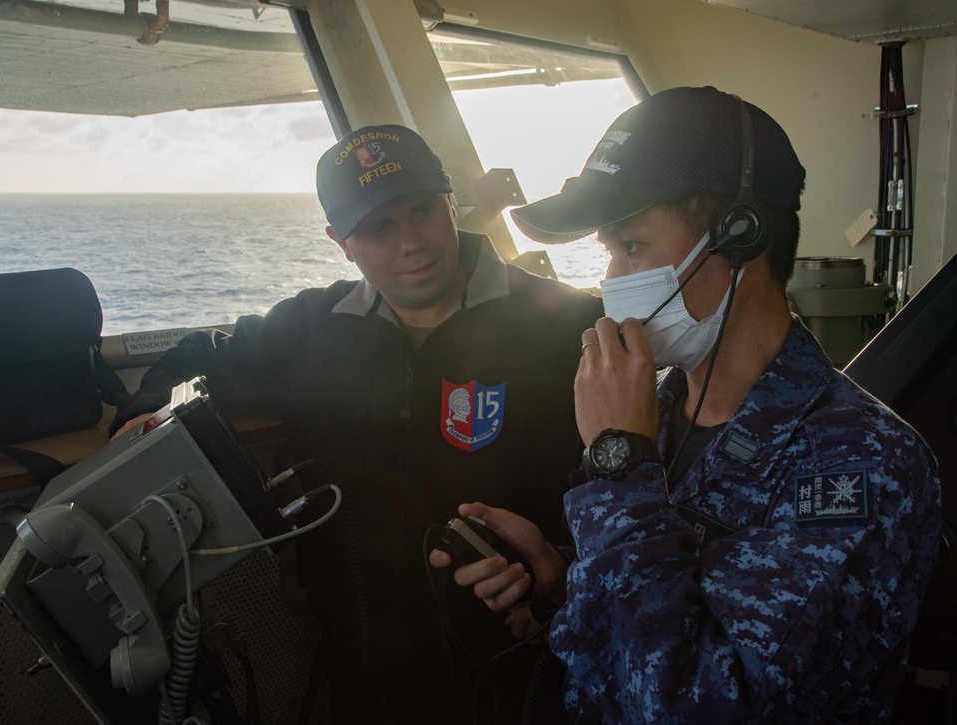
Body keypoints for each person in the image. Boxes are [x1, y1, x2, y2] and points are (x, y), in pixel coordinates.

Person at [430, 86, 942, 723]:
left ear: (739, 236)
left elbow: (703, 706)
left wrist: (617, 472)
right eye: (606, 252)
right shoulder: (659, 414)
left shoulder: (864, 462)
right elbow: (646, 622)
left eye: (633, 246)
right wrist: (559, 580)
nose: (611, 280)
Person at [110, 125, 603, 723]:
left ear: (452, 202)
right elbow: (206, 351)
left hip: (515, 653)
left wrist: (559, 576)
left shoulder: (568, 324)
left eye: (423, 210)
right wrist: (140, 415)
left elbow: (629, 476)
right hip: (360, 656)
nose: (412, 243)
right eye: (377, 229)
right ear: (341, 242)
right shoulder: (312, 328)